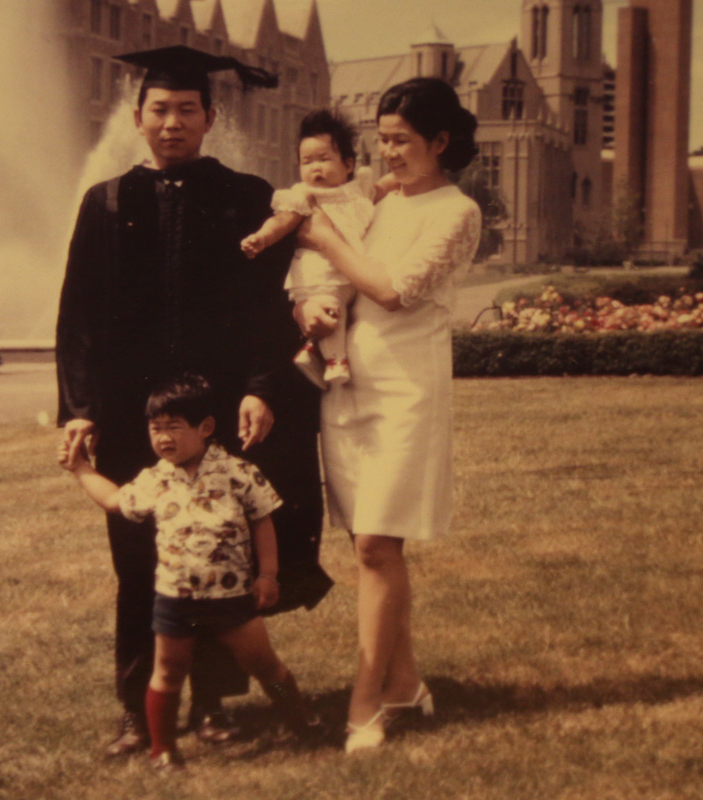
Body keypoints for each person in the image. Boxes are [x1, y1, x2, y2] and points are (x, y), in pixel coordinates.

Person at [55, 45, 333, 758]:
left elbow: (269, 307)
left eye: (187, 110)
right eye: (159, 110)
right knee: (136, 559)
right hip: (129, 417)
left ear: (210, 117)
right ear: (138, 117)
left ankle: (212, 703)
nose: (172, 123)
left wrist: (264, 388)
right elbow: (78, 316)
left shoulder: (243, 196)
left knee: (218, 554)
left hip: (218, 410)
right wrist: (81, 407)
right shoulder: (107, 201)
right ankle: (134, 706)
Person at [294, 77, 483, 753]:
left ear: (441, 141)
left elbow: (392, 290)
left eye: (402, 140)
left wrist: (320, 236)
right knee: (368, 546)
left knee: (377, 544)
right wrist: (305, 309)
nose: (388, 152)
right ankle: (404, 683)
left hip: (406, 391)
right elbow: (334, 286)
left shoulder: (456, 212)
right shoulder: (371, 198)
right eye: (383, 138)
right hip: (346, 386)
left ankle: (364, 704)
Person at [58, 374, 322, 770]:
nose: (163, 438)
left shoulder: (235, 471)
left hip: (232, 599)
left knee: (267, 666)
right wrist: (80, 468)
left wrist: (268, 575)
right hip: (175, 601)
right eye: (155, 428)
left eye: (174, 428)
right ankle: (163, 750)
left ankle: (303, 723)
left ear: (206, 428)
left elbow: (262, 520)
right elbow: (114, 501)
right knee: (167, 674)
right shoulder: (155, 478)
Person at [240, 109, 395, 388]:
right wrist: (262, 238)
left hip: (350, 271)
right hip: (320, 272)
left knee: (343, 312)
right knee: (332, 307)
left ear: (348, 164)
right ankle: (336, 362)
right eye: (306, 161)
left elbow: (382, 188)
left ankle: (312, 351)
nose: (315, 168)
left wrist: (408, 175)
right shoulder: (305, 196)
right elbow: (282, 221)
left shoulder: (357, 191)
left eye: (324, 159)